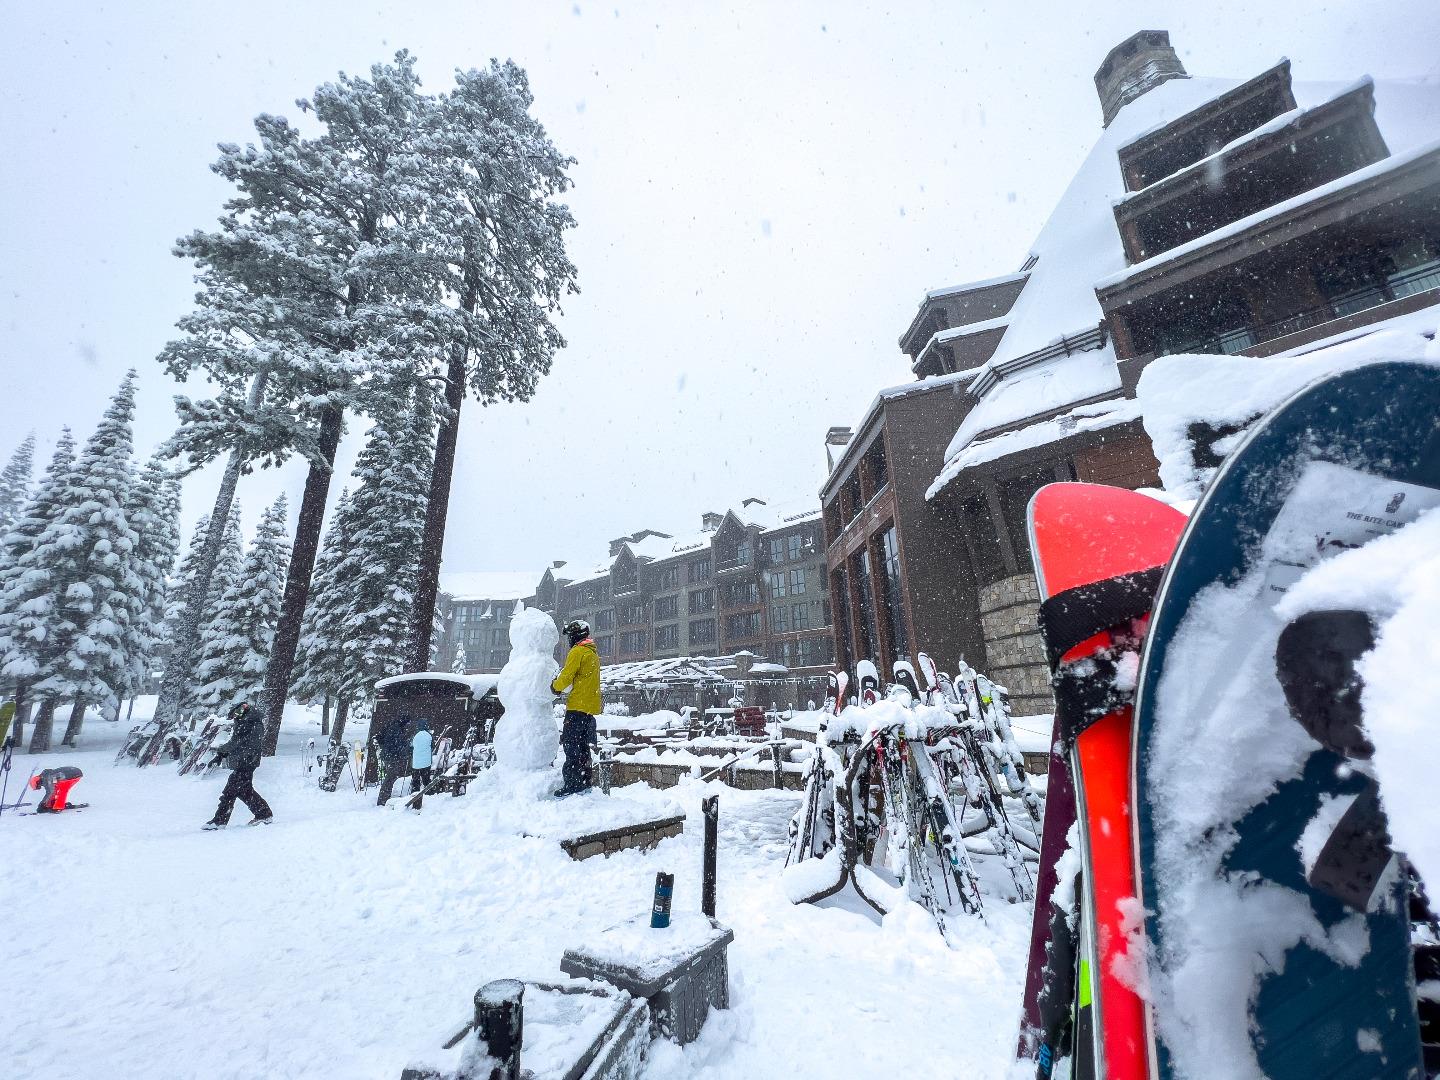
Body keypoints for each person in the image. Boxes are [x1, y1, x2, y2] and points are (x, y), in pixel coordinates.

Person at [551, 619, 601, 796]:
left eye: (570, 636)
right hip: (589, 710)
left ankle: (573, 784)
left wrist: (555, 687)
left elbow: (566, 675)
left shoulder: (577, 651)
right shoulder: (592, 653)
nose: (569, 640)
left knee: (571, 746)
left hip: (576, 708)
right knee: (582, 748)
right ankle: (585, 781)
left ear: (575, 636)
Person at [203, 702, 273, 829]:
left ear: (244, 710)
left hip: (246, 762)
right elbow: (238, 742)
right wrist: (222, 755)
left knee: (230, 791)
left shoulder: (249, 723)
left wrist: (220, 753)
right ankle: (263, 814)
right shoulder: (251, 721)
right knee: (244, 791)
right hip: (246, 761)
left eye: (236, 714)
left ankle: (219, 821)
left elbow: (236, 741)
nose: (235, 717)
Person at [375, 712, 412, 806]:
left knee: (390, 777)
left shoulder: (393, 726)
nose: (408, 726)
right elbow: (398, 745)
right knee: (390, 778)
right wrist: (407, 748)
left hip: (388, 756)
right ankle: (382, 800)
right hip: (392, 757)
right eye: (407, 723)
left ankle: (384, 798)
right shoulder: (396, 730)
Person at [409, 717, 434, 809]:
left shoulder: (415, 735)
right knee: (426, 779)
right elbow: (432, 746)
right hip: (426, 761)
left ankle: (415, 795)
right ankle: (429, 793)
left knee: (415, 780)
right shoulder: (429, 735)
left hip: (416, 762)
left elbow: (411, 746)